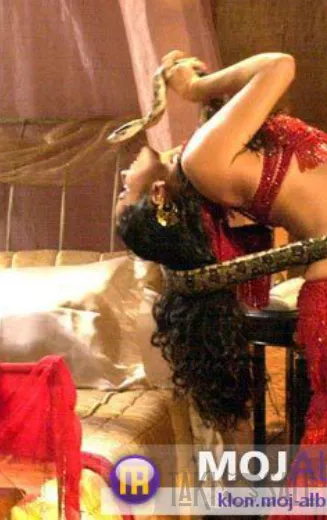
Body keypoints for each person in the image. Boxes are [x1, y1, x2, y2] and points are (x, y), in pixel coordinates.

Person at [114, 49, 327, 453]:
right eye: (126, 193)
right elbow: (280, 65)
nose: (124, 177)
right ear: (158, 195)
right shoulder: (202, 163)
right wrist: (195, 89)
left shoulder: (203, 162)